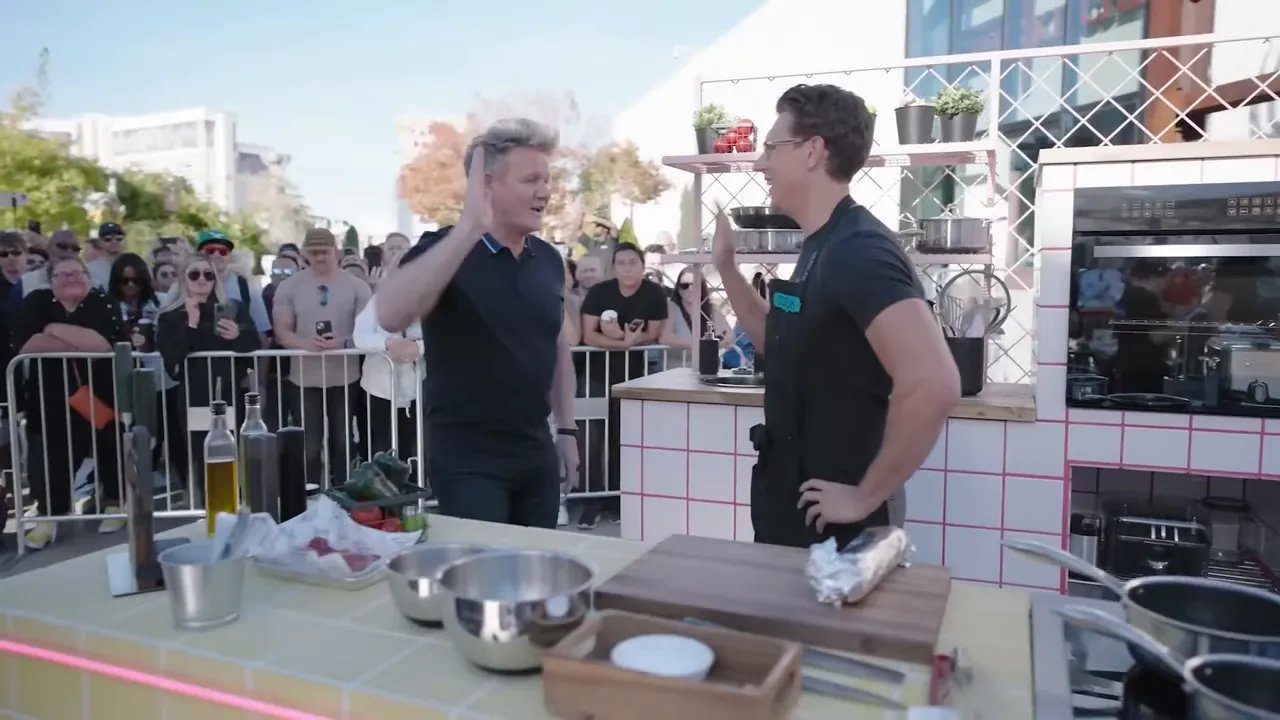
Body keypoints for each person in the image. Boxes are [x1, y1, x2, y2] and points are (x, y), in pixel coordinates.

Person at [710, 84, 959, 548]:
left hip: (839, 528)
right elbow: (779, 339)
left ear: (811, 152)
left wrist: (865, 496)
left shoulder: (860, 251)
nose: (761, 163)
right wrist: (726, 267)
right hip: (795, 507)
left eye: (771, 147)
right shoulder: (820, 245)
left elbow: (934, 382)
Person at [376, 117, 579, 529]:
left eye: (547, 179)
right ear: (488, 184)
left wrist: (568, 432)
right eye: (531, 180)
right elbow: (390, 314)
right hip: (469, 458)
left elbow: (557, 346)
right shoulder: (442, 249)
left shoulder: (550, 260)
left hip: (535, 449)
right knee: (485, 579)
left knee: (537, 575)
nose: (546, 191)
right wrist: (469, 229)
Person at [13, 257, 128, 549]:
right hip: (48, 394)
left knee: (109, 445)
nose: (71, 278)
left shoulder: (101, 300)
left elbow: (101, 345)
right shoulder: (35, 301)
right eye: (63, 274)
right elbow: (27, 345)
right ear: (50, 280)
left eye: (78, 273)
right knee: (50, 455)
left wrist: (52, 328)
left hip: (101, 389)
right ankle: (50, 515)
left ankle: (115, 504)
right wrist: (77, 338)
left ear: (89, 277)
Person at [156, 256, 262, 505]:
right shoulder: (171, 316)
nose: (202, 279)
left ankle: (237, 509)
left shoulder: (233, 307)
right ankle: (212, 513)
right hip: (196, 396)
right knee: (204, 455)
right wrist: (191, 324)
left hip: (229, 392)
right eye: (195, 274)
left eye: (208, 274)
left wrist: (237, 335)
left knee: (235, 452)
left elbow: (253, 345)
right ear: (184, 279)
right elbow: (172, 359)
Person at [271, 227, 372, 486]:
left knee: (343, 440)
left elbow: (366, 328)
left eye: (324, 252)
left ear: (335, 252)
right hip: (304, 376)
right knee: (309, 444)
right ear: (304, 253)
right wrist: (304, 343)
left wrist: (343, 341)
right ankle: (310, 500)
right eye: (313, 252)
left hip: (345, 375)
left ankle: (345, 497)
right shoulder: (288, 287)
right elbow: (282, 331)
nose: (319, 258)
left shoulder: (357, 286)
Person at [577, 243, 668, 528]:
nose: (627, 268)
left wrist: (631, 343)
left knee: (623, 439)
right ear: (613, 267)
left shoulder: (654, 294)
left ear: (642, 265)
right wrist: (622, 343)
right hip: (594, 376)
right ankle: (590, 501)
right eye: (621, 263)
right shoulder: (599, 293)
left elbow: (654, 333)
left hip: (633, 377)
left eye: (632, 262)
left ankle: (619, 499)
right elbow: (588, 336)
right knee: (590, 440)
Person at [353, 294, 422, 462]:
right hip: (379, 389)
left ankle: (415, 486)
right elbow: (360, 336)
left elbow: (441, 334)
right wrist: (388, 343)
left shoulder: (428, 298)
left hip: (418, 389)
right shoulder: (378, 301)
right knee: (382, 449)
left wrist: (417, 347)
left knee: (415, 448)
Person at [660, 266, 733, 366]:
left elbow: (729, 337)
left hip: (708, 369)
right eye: (685, 285)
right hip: (677, 371)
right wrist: (700, 345)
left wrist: (714, 343)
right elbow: (665, 337)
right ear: (678, 288)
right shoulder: (671, 307)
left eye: (695, 285)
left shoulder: (712, 309)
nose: (690, 289)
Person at [86, 222, 126, 289]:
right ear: (99, 242)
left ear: (125, 241)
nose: (114, 242)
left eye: (119, 239)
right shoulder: (89, 269)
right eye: (108, 239)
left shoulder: (134, 264)